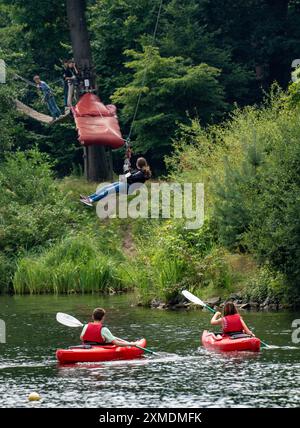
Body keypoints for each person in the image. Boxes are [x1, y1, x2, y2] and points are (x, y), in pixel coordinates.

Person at [80, 157, 152, 207]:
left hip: (129, 188)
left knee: (108, 191)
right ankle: (89, 197)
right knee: (106, 187)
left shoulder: (141, 173)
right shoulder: (138, 171)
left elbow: (131, 178)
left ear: (138, 164)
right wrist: (127, 169)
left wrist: (126, 170)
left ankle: (91, 200)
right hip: (126, 184)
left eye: (136, 162)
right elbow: (128, 176)